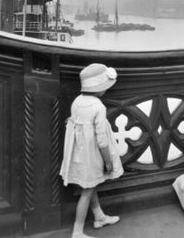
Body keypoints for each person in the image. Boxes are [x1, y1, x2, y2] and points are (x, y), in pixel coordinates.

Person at [60, 63, 124, 238]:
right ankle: (77, 231)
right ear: (100, 88)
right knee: (87, 191)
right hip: (93, 155)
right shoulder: (98, 107)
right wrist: (108, 161)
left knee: (90, 185)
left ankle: (99, 217)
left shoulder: (77, 102)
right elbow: (102, 140)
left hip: (79, 154)